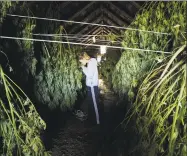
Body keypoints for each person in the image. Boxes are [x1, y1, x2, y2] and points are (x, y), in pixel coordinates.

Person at [79, 52, 101, 126]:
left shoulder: (91, 62)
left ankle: (97, 122)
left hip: (92, 87)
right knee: (90, 104)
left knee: (94, 104)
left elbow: (89, 75)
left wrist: (82, 67)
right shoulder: (90, 63)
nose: (82, 63)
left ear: (84, 58)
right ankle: (92, 120)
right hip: (90, 87)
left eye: (81, 61)